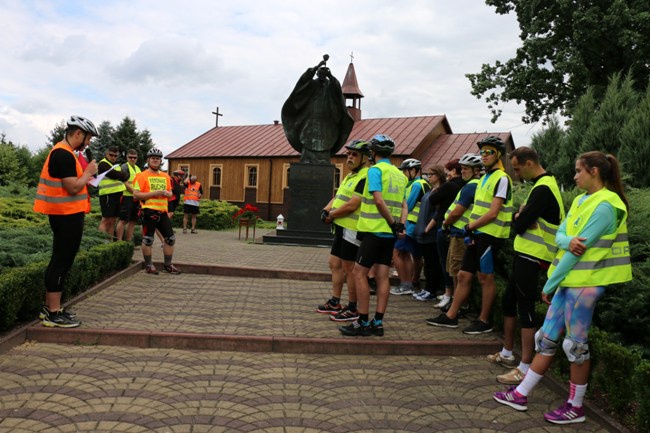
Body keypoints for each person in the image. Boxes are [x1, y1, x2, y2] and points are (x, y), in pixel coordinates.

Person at [494, 151, 632, 425]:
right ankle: (521, 394)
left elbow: (577, 251)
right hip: (569, 281)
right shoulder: (581, 200)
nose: (574, 175)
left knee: (575, 346)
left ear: (594, 171)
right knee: (545, 339)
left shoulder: (607, 205)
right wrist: (566, 242)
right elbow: (560, 236)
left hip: (586, 284)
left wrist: (551, 282)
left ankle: (575, 407)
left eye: (579, 171)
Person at [487, 146, 565, 385]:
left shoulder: (543, 188)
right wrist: (520, 216)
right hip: (526, 254)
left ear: (529, 163)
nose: (517, 173)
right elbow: (519, 220)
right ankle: (508, 353)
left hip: (535, 255)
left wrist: (520, 218)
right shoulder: (541, 186)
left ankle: (525, 367)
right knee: (508, 302)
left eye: (518, 168)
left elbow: (519, 226)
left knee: (525, 308)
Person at [427, 136, 513, 334]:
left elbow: (493, 212)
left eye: (488, 152)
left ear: (498, 154)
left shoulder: (501, 178)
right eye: (482, 152)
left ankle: (484, 321)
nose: (484, 156)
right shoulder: (484, 178)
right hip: (477, 234)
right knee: (464, 275)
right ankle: (451, 316)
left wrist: (469, 226)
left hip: (491, 234)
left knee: (485, 278)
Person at [338, 134, 408, 337]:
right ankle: (378, 322)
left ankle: (362, 321)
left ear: (372, 153)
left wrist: (392, 223)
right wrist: (399, 225)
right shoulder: (400, 174)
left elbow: (378, 201)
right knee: (382, 275)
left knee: (359, 273)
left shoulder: (375, 171)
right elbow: (404, 205)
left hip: (373, 230)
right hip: (389, 234)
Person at [33, 115, 99, 328]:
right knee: (62, 261)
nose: (88, 143)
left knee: (61, 260)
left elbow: (74, 184)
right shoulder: (62, 154)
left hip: (68, 214)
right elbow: (72, 187)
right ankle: (52, 313)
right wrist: (88, 172)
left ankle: (52, 308)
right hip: (65, 215)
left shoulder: (66, 153)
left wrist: (87, 176)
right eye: (88, 138)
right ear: (78, 133)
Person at [316, 139, 370, 322]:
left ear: (365, 158)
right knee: (334, 264)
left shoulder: (366, 176)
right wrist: (326, 209)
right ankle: (335, 302)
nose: (349, 157)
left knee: (350, 269)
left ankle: (353, 307)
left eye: (354, 154)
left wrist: (332, 215)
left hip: (352, 229)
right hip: (341, 227)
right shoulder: (350, 176)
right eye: (348, 154)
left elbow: (354, 204)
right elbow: (338, 196)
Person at [430, 154, 482, 311]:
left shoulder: (471, 186)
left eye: (466, 169)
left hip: (459, 233)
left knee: (456, 271)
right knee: (454, 270)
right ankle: (457, 302)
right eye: (463, 168)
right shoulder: (468, 185)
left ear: (476, 171)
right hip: (457, 232)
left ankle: (459, 305)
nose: (462, 172)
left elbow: (457, 211)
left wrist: (446, 223)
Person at [281, 55, 354, 164]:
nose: (322, 76)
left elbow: (337, 89)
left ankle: (323, 160)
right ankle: (307, 161)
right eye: (320, 74)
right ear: (316, 74)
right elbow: (303, 80)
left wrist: (330, 75)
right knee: (307, 142)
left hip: (326, 123)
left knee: (325, 144)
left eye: (324, 74)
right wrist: (317, 66)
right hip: (310, 121)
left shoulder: (330, 85)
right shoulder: (311, 84)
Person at [420, 158, 465, 306]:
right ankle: (451, 295)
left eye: (449, 170)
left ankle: (448, 293)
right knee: (449, 264)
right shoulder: (465, 185)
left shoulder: (450, 186)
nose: (448, 174)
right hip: (455, 228)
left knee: (446, 263)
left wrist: (444, 223)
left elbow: (433, 199)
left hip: (444, 226)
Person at [133, 147, 181, 275]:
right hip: (149, 212)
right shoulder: (141, 176)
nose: (155, 160)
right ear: (148, 160)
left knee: (170, 239)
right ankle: (149, 265)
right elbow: (136, 195)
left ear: (161, 161)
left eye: (158, 159)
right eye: (153, 158)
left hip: (162, 212)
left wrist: (167, 193)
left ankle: (168, 265)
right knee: (148, 240)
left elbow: (171, 194)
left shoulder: (165, 176)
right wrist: (154, 193)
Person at [391, 159, 430, 296]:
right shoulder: (423, 183)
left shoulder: (417, 185)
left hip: (410, 225)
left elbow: (408, 205)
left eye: (404, 171)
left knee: (397, 253)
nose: (403, 173)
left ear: (413, 170)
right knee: (414, 255)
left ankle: (405, 284)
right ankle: (412, 282)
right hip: (419, 226)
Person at [412, 165, 446, 302]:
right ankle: (427, 289)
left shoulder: (439, 191)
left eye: (431, 174)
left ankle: (431, 290)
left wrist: (427, 228)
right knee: (428, 263)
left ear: (438, 175)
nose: (429, 177)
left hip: (430, 234)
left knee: (432, 263)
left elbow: (438, 213)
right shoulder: (430, 190)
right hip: (423, 232)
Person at [97, 145, 130, 239]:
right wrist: (121, 175)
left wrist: (121, 175)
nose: (113, 157)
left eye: (115, 156)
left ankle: (110, 243)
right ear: (106, 154)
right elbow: (115, 175)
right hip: (107, 195)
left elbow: (123, 176)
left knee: (113, 221)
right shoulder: (103, 164)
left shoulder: (116, 166)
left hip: (117, 196)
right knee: (106, 220)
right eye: (111, 155)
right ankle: (101, 242)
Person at [116, 149, 141, 242]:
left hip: (136, 197)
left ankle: (128, 241)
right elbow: (124, 183)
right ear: (127, 157)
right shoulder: (124, 167)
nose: (132, 159)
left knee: (133, 221)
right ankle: (119, 242)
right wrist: (135, 192)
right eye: (130, 157)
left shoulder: (138, 168)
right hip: (127, 197)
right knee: (123, 220)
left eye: (134, 157)